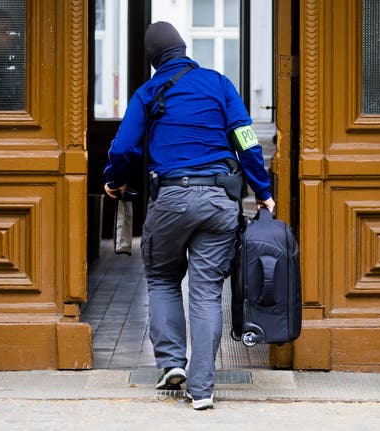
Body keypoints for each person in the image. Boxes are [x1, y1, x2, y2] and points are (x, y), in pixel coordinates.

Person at [103, 21, 275, 410]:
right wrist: (263, 192)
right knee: (206, 292)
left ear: (152, 59)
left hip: (171, 199)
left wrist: (113, 181)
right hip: (219, 201)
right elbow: (245, 138)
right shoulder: (218, 83)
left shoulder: (148, 92)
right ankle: (202, 390)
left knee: (163, 278)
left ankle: (169, 364)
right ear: (183, 49)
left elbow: (125, 146)